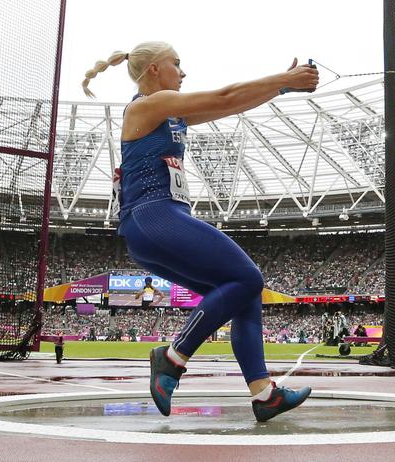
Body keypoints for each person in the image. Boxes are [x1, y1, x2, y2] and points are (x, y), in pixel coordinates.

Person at [82, 41, 318, 422]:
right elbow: (224, 95)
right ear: (154, 70)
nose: (183, 71)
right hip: (155, 217)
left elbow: (229, 104)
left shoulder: (171, 114)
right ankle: (171, 358)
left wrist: (281, 87)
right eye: (177, 64)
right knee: (248, 276)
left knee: (244, 294)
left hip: (153, 227)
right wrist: (283, 78)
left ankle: (264, 394)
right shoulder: (147, 105)